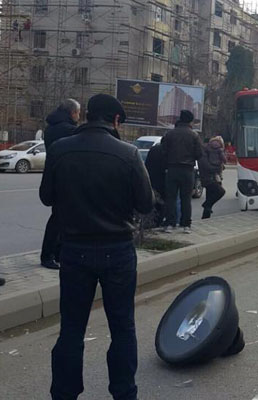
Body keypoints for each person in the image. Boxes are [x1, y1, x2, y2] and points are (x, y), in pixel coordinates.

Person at [40, 93, 153, 400]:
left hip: (74, 251)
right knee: (122, 328)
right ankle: (124, 393)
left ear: (87, 116)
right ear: (115, 120)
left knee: (71, 331)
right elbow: (145, 202)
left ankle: (64, 393)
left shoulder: (61, 150)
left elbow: (46, 197)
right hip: (117, 251)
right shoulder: (129, 154)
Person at [40, 99, 81, 269]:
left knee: (59, 216)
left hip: (54, 176)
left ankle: (55, 253)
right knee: (59, 219)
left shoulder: (51, 128)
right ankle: (49, 254)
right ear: (72, 113)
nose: (79, 116)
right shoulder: (70, 130)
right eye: (78, 113)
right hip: (66, 178)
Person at [161, 110, 202, 233]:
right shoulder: (194, 135)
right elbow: (199, 154)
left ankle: (169, 224)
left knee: (171, 198)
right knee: (186, 198)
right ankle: (186, 225)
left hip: (172, 169)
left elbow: (163, 151)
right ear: (190, 121)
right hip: (187, 170)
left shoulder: (170, 134)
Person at [199, 136, 227, 219]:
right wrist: (218, 168)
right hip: (208, 178)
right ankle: (206, 205)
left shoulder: (215, 151)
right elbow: (206, 166)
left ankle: (205, 217)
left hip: (214, 177)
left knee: (210, 197)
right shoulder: (206, 151)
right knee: (221, 192)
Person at [145, 142, 168, 227]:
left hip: (151, 178)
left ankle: (151, 221)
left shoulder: (153, 149)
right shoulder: (167, 151)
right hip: (163, 180)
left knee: (153, 201)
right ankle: (159, 222)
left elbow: (147, 163)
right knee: (163, 202)